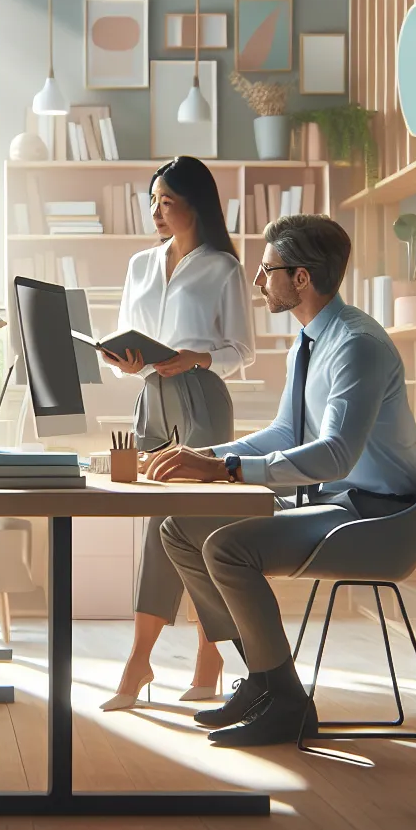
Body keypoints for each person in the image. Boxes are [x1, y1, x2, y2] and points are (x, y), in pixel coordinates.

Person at [144, 213, 416, 747]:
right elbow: (284, 432)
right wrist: (204, 455)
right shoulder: (310, 341)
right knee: (180, 528)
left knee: (227, 547)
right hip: (335, 503)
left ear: (301, 278)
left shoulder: (356, 345)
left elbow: (336, 455)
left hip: (373, 514)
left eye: (267, 269)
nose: (256, 280)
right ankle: (265, 681)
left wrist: (226, 470)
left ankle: (287, 702)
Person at [96, 156, 252, 711]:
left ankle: (181, 661)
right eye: (153, 202)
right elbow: (128, 343)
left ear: (195, 205)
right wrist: (124, 362)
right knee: (155, 527)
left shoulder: (223, 268)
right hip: (151, 399)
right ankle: (150, 662)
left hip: (201, 398)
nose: (157, 212)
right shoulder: (140, 265)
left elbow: (241, 351)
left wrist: (195, 358)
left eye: (168, 201)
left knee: (199, 531)